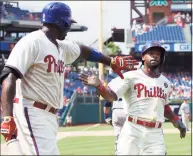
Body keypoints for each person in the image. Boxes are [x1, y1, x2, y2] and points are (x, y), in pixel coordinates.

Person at [0, 2, 138, 155]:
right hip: (32, 111)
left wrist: (110, 61)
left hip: (48, 115)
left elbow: (83, 50)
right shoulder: (33, 42)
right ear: (62, 22)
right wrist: (7, 117)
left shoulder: (60, 46)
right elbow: (9, 76)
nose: (69, 27)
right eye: (68, 23)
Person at [79, 41, 186, 155]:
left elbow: (163, 106)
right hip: (133, 130)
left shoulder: (165, 82)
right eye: (151, 53)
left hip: (155, 134)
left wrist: (176, 121)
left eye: (158, 54)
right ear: (143, 57)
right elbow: (111, 96)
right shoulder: (130, 76)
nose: (155, 55)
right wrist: (99, 86)